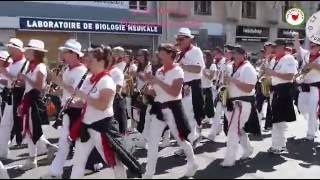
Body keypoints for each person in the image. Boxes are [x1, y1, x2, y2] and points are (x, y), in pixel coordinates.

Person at [66, 47, 143, 179]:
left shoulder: (107, 81)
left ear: (101, 62)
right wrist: (73, 102)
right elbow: (84, 102)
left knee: (114, 162)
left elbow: (102, 105)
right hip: (86, 126)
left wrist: (83, 96)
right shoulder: (90, 79)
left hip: (102, 128)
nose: (87, 62)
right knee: (78, 162)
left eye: (91, 60)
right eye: (87, 59)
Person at [143, 43, 198, 178]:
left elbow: (174, 92)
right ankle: (149, 173)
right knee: (153, 141)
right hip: (159, 109)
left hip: (173, 109)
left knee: (181, 140)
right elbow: (156, 92)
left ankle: (193, 163)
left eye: (161, 51)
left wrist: (156, 81)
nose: (158, 54)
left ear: (170, 54)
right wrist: (147, 87)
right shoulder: (159, 70)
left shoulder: (177, 70)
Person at [43, 39, 88, 178]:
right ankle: (57, 171)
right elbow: (66, 91)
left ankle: (59, 170)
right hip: (67, 109)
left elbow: (81, 93)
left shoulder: (82, 71)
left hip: (76, 110)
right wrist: (52, 92)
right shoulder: (67, 69)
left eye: (65, 52)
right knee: (66, 142)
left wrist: (61, 83)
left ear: (74, 54)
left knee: (77, 142)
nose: (62, 54)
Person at [18, 39, 58, 170]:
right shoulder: (32, 66)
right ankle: (47, 148)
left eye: (28, 50)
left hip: (33, 101)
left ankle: (33, 158)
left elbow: (39, 87)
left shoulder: (39, 67)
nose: (26, 52)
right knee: (31, 130)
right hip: (29, 100)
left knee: (30, 130)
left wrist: (26, 78)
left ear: (35, 52)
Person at [221, 46, 257, 167]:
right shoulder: (231, 67)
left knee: (232, 130)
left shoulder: (248, 68)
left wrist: (233, 80)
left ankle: (230, 158)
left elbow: (249, 88)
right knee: (238, 129)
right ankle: (248, 148)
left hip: (242, 103)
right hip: (231, 102)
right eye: (232, 53)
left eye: (235, 53)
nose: (232, 55)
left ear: (243, 55)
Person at [175, 28, 205, 156]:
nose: (179, 41)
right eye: (178, 39)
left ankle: (189, 142)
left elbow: (198, 69)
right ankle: (192, 138)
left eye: (182, 39)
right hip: (183, 86)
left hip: (191, 86)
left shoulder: (195, 51)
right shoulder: (180, 52)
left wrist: (182, 66)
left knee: (189, 115)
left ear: (189, 39)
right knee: (183, 116)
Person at [264, 40, 297, 154]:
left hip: (283, 89)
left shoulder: (288, 58)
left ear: (283, 47)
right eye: (273, 47)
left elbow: (290, 76)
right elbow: (271, 75)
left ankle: (277, 146)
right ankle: (280, 145)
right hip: (275, 90)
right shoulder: (274, 59)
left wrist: (273, 73)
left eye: (276, 47)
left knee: (278, 120)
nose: (274, 49)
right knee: (278, 120)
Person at [0, 38, 28, 159]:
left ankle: (45, 146)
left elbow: (25, 83)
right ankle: (2, 152)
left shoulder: (25, 64)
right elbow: (10, 82)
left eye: (11, 48)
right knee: (5, 124)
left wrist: (4, 72)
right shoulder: (12, 63)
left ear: (18, 50)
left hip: (21, 98)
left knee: (25, 126)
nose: (9, 50)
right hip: (11, 97)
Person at [294, 32, 320, 142]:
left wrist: (315, 66)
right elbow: (297, 47)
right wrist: (296, 37)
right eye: (311, 45)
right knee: (302, 108)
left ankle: (310, 135)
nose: (312, 47)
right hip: (304, 85)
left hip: (315, 88)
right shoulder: (306, 54)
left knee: (312, 109)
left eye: (314, 46)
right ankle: (314, 123)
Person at [110, 46, 127, 135]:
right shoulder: (114, 65)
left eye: (116, 52)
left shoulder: (121, 64)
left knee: (120, 118)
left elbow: (118, 86)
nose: (114, 54)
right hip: (111, 96)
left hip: (117, 96)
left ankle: (122, 135)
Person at [201, 50, 216, 124]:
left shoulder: (212, 65)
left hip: (207, 87)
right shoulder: (201, 64)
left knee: (208, 104)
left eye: (204, 56)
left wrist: (204, 73)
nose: (203, 58)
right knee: (201, 104)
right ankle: (204, 118)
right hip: (200, 87)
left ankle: (210, 119)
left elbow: (211, 77)